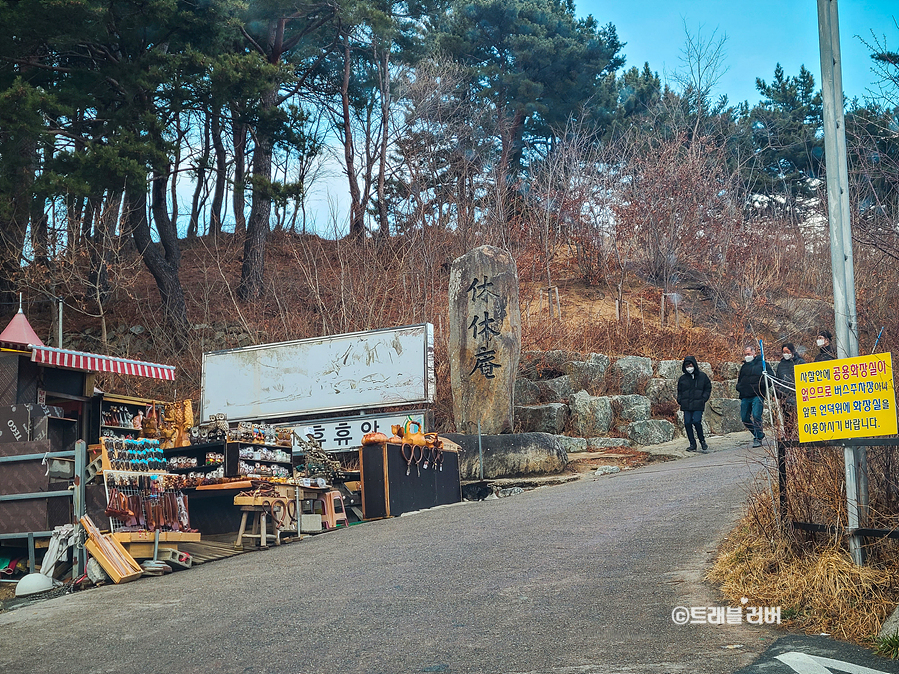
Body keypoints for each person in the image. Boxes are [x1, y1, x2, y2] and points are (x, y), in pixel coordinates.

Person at [737, 344, 773, 447]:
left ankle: (757, 438)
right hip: (745, 395)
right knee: (744, 418)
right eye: (745, 354)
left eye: (748, 353)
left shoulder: (763, 364)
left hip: (758, 394)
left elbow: (770, 378)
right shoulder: (744, 367)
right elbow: (740, 380)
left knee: (757, 415)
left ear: (754, 353)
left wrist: (761, 385)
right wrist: (739, 387)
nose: (747, 356)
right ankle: (759, 434)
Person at [677, 356, 712, 453]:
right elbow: (679, 391)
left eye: (690, 365)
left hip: (698, 404)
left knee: (696, 421)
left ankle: (702, 441)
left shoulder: (702, 376)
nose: (689, 367)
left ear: (694, 365)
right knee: (687, 423)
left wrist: (703, 398)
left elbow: (708, 387)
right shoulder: (682, 379)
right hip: (686, 405)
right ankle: (692, 444)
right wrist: (679, 400)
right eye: (687, 366)